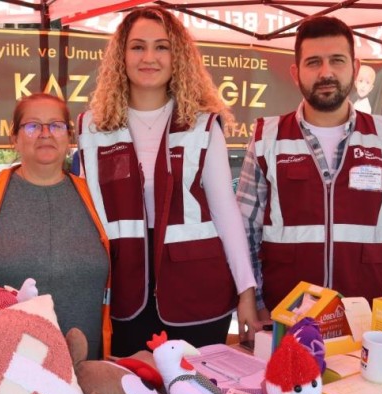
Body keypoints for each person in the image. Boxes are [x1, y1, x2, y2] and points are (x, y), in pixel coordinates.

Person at [77, 6, 261, 357]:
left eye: (162, 47)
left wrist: (246, 293)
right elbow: (88, 216)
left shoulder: (202, 125)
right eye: (138, 47)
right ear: (121, 56)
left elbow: (226, 212)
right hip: (123, 290)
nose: (150, 57)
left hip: (197, 291)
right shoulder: (92, 128)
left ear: (178, 56)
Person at [237, 16, 382, 312]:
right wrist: (253, 301)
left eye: (337, 61)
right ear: (296, 74)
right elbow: (244, 229)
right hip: (284, 319)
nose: (326, 73)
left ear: (355, 68)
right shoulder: (266, 137)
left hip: (364, 318)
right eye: (313, 63)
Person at [0, 93, 110, 359]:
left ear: (69, 137)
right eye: (33, 125)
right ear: (14, 137)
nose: (45, 134)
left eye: (56, 125)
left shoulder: (96, 195)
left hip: (85, 366)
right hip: (7, 368)